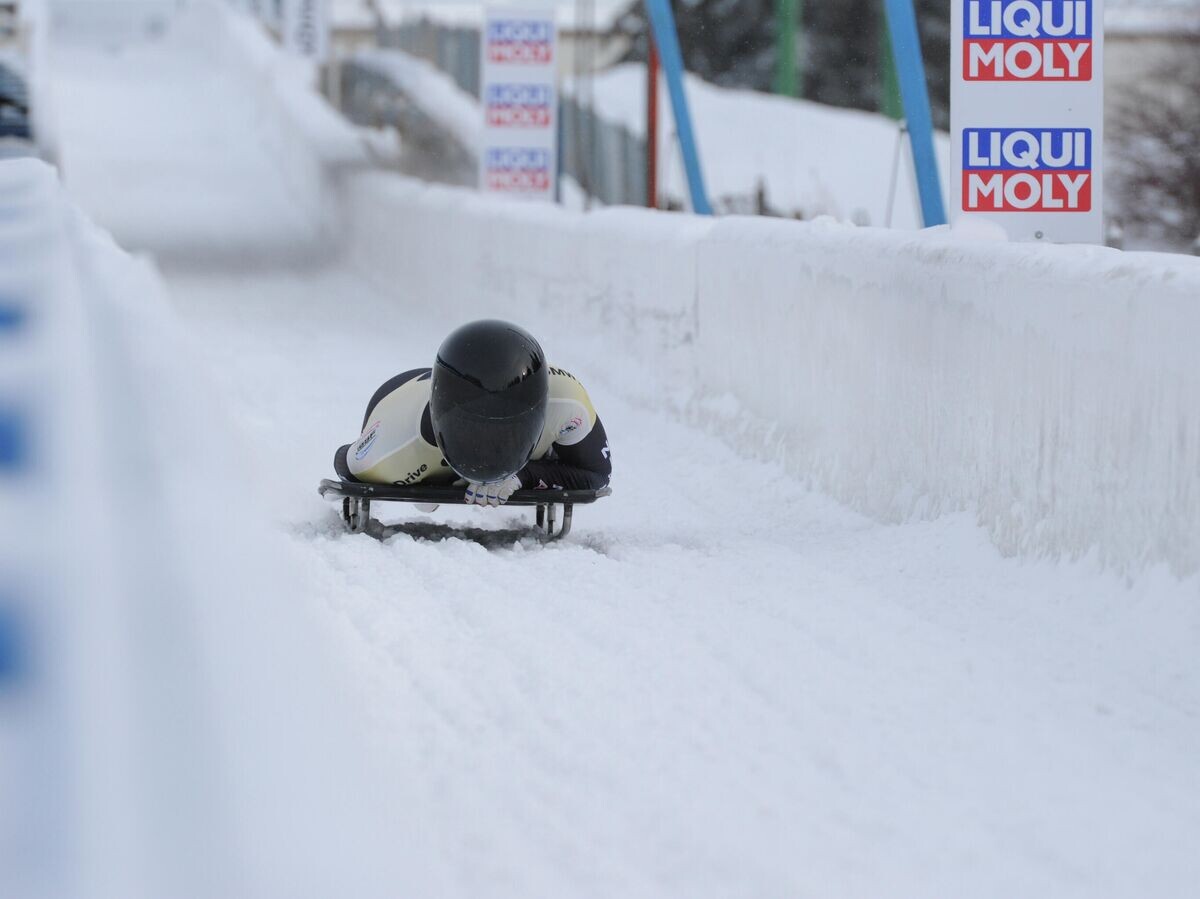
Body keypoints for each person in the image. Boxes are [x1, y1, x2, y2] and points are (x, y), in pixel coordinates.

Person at [334, 319, 611, 507]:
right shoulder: (392, 448)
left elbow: (598, 474)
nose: (489, 450)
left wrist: (524, 475)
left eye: (507, 429)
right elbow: (347, 464)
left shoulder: (567, 401)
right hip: (403, 398)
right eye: (474, 429)